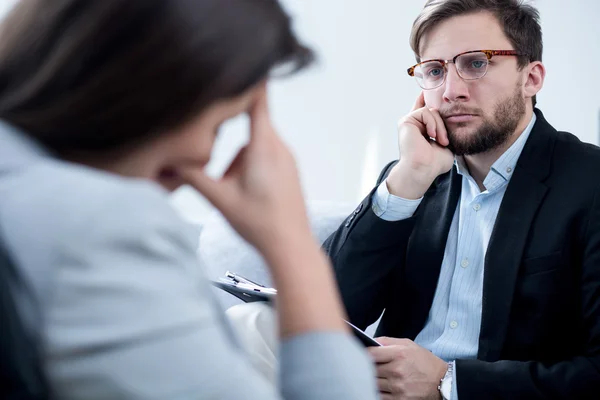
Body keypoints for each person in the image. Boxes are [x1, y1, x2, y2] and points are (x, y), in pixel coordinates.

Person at [0, 0, 378, 399]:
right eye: (219, 126)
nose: (204, 155)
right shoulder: (103, 226)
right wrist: (292, 244)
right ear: (155, 90)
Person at [324, 0, 600, 399]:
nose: (451, 91)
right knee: (251, 325)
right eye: (435, 71)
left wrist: (448, 383)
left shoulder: (589, 183)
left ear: (532, 78)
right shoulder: (412, 178)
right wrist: (408, 180)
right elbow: (323, 313)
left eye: (476, 63)